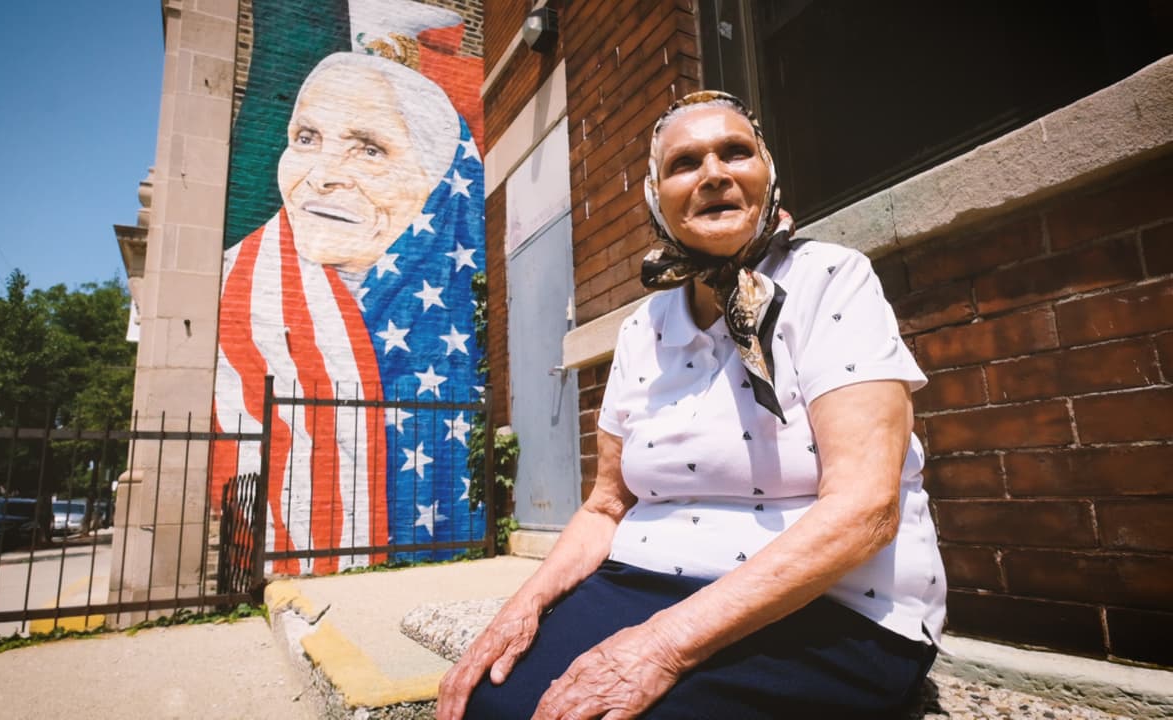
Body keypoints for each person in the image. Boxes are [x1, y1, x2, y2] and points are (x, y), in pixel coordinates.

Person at [437, 91, 946, 719]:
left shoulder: (831, 280)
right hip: (647, 578)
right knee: (495, 705)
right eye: (685, 163)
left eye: (736, 152)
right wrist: (521, 607)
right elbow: (606, 507)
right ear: (656, 197)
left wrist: (663, 647)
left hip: (830, 604)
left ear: (767, 175)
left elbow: (864, 509)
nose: (713, 174)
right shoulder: (641, 329)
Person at [212, 51, 484, 575]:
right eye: (307, 138)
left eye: (369, 150)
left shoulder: (465, 304)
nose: (320, 176)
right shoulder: (234, 284)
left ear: (436, 181)